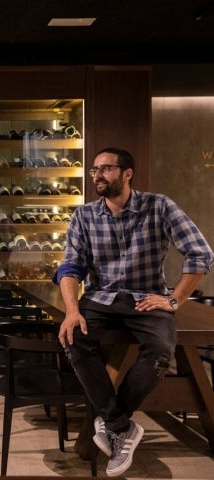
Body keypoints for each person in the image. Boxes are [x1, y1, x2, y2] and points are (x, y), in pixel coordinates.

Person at [54, 147, 213, 477]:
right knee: (73, 336)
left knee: (161, 350)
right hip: (100, 298)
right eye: (94, 170)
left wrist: (173, 300)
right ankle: (120, 426)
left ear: (127, 174)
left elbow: (199, 253)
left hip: (146, 297)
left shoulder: (159, 206)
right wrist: (72, 310)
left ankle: (113, 425)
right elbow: (70, 267)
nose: (97, 175)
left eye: (106, 169)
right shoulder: (84, 215)